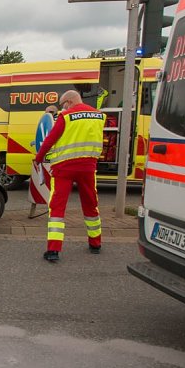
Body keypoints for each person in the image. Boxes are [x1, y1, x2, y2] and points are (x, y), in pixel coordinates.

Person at [34, 89, 106, 263]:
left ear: (69, 102)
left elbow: (50, 139)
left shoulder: (66, 117)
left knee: (57, 208)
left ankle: (53, 250)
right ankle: (95, 243)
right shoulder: (99, 116)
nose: (62, 108)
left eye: (63, 104)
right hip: (88, 167)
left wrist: (38, 158)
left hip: (64, 168)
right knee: (91, 203)